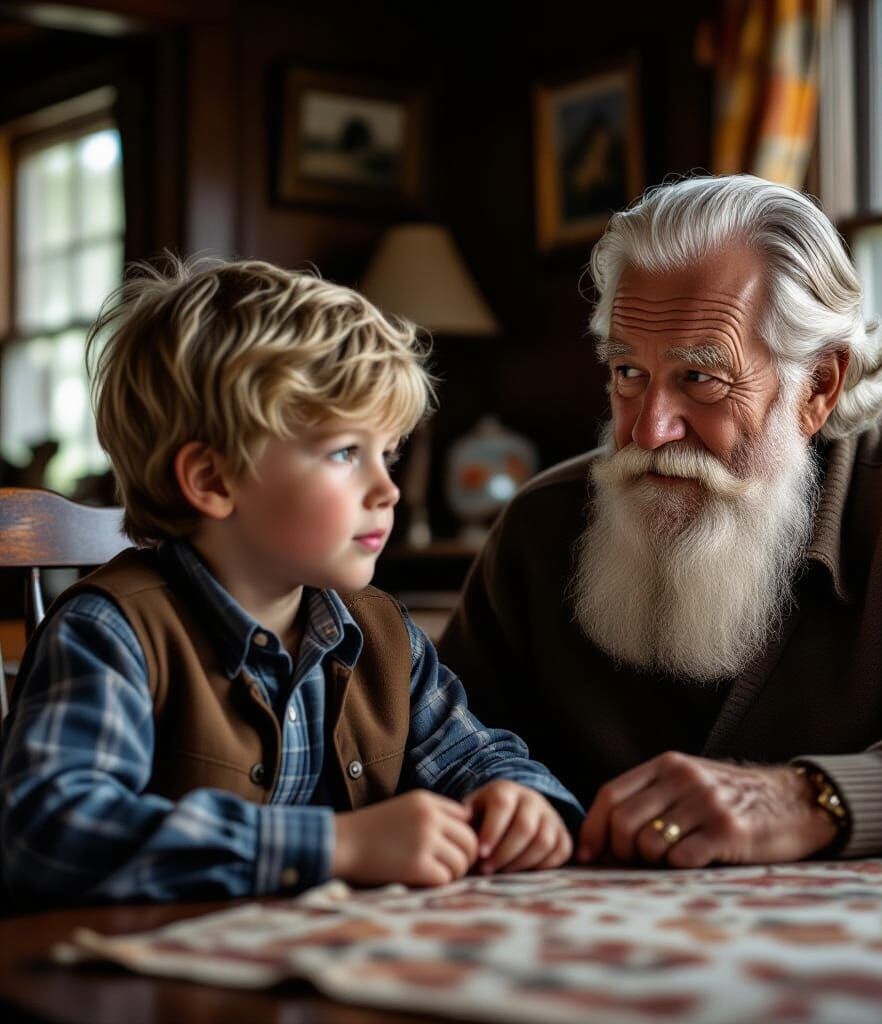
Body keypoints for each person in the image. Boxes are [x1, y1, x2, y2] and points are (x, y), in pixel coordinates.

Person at [439, 175, 882, 868]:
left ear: (819, 385)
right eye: (628, 372)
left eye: (701, 378)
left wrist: (813, 800)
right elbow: (431, 749)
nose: (650, 431)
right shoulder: (538, 531)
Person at [0, 257, 581, 906]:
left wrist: (519, 800)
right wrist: (340, 845)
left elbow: (475, 756)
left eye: (386, 453)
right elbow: (50, 832)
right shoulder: (110, 633)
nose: (386, 489)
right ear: (214, 481)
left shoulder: (381, 631)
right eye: (343, 453)